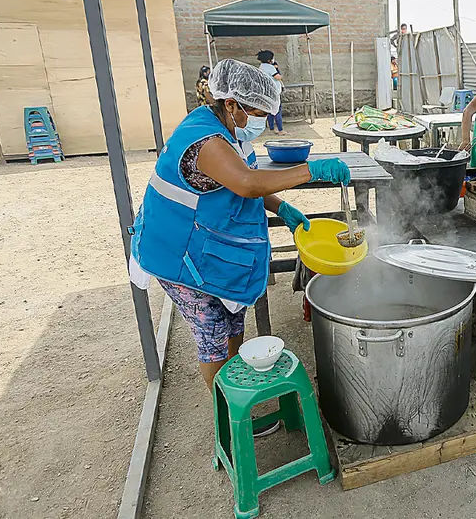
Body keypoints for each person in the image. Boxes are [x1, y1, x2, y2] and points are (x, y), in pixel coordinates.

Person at [128, 60, 350, 434]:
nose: (262, 120)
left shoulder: (227, 130)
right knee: (212, 336)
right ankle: (228, 418)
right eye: (259, 112)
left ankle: (237, 395)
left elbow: (240, 184)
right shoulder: (205, 141)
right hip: (178, 254)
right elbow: (246, 183)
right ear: (232, 104)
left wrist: (282, 207)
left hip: (203, 249)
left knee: (233, 323)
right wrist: (313, 170)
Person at [256, 50, 284, 135]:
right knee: (277, 111)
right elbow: (278, 77)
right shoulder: (270, 67)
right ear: (270, 60)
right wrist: (277, 69)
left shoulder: (261, 67)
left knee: (270, 111)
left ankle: (272, 128)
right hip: (274, 92)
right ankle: (280, 130)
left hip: (267, 92)